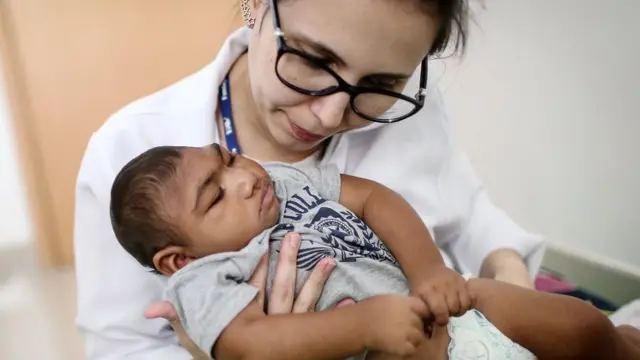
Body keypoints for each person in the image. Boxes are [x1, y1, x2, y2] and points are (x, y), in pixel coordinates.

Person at [73, 0, 545, 358]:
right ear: (257, 4)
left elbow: (465, 214)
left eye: (381, 85)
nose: (330, 113)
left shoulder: (412, 108)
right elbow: (124, 347)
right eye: (314, 61)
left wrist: (509, 277)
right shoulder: (125, 148)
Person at [107, 144, 640, 360]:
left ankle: (623, 340)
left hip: (456, 310)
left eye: (227, 160)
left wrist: (428, 269)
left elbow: (373, 198)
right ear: (177, 260)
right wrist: (363, 327)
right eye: (216, 194)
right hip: (390, 352)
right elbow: (247, 341)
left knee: (584, 329)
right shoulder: (201, 281)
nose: (243, 178)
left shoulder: (281, 182)